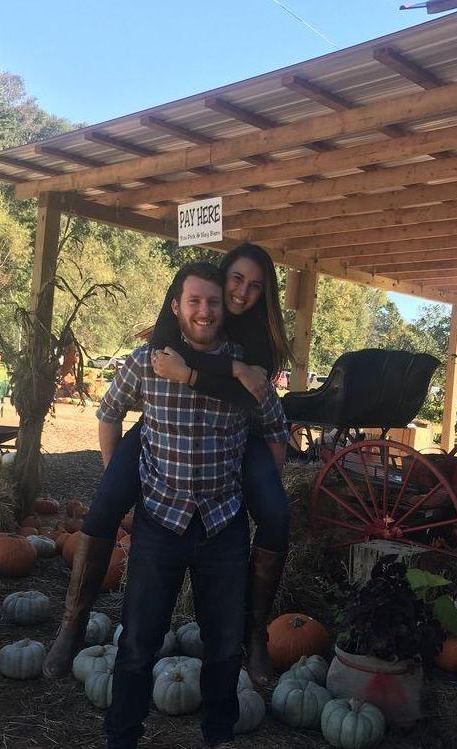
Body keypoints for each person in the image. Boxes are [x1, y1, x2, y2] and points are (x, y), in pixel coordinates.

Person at [43, 243, 293, 684]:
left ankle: (255, 634)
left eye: (255, 286)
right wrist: (115, 462)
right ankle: (72, 623)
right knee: (103, 507)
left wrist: (224, 372)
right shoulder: (198, 304)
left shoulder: (259, 336)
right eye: (235, 279)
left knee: (275, 512)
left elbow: (255, 405)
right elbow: (155, 363)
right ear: (219, 276)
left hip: (240, 431)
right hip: (165, 423)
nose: (241, 293)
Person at [98, 262, 289, 749]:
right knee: (138, 644)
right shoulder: (147, 361)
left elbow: (275, 429)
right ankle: (122, 738)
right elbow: (109, 412)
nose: (205, 311)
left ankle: (218, 737)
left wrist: (262, 484)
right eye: (195, 301)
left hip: (222, 526)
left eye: (213, 302)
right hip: (159, 521)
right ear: (176, 306)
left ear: (224, 310)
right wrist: (115, 471)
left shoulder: (244, 368)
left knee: (224, 647)